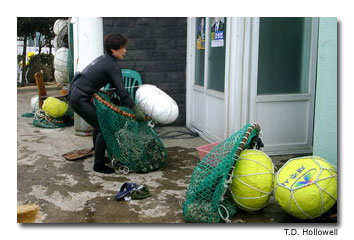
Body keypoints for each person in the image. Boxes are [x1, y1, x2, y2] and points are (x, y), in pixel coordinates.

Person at [69, 33, 145, 174]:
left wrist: (119, 101)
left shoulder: (104, 60)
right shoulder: (112, 65)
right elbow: (122, 92)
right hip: (80, 99)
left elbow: (116, 88)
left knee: (99, 125)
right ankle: (98, 165)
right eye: (122, 48)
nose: (125, 51)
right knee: (105, 127)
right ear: (113, 50)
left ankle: (99, 156)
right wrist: (135, 109)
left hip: (77, 95)